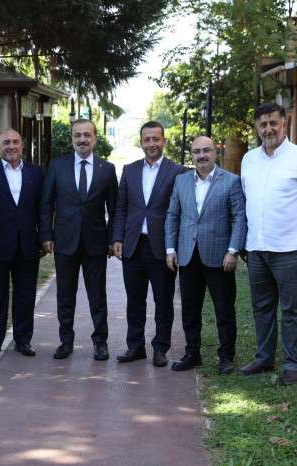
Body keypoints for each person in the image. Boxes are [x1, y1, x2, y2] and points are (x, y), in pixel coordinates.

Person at [239, 102, 297, 385]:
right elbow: (247, 202)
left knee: (292, 310)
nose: (268, 129)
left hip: (290, 249)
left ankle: (292, 362)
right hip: (257, 248)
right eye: (263, 124)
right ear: (257, 127)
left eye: (273, 123)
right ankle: (264, 358)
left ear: (284, 124)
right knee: (262, 307)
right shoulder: (248, 160)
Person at [165, 136, 246, 375]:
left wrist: (233, 250)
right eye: (197, 151)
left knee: (224, 309)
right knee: (190, 310)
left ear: (215, 152)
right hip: (187, 255)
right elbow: (172, 216)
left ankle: (226, 357)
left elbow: (239, 218)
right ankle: (192, 354)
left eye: (206, 150)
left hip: (220, 257)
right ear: (191, 155)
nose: (201, 155)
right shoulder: (181, 181)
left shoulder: (231, 181)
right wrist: (170, 249)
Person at [40, 119, 117, 360]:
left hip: (96, 242)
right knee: (65, 295)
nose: (82, 139)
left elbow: (114, 209)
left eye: (87, 135)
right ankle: (66, 342)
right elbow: (46, 203)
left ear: (95, 138)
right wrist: (46, 235)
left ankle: (100, 343)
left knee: (97, 296)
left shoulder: (107, 169)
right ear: (72, 138)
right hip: (65, 241)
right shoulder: (57, 166)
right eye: (77, 135)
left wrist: (113, 239)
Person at [111, 121, 185, 367]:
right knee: (134, 300)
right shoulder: (129, 170)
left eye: (156, 139)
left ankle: (160, 348)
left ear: (164, 141)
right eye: (147, 139)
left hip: (162, 248)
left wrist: (175, 246)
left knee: (163, 301)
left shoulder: (178, 171)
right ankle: (135, 346)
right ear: (141, 142)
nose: (151, 144)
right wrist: (118, 238)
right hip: (133, 245)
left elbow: (181, 211)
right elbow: (120, 207)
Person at [0, 129, 44, 359]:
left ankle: (23, 341)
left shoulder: (36, 173)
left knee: (26, 295)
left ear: (22, 145)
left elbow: (43, 210)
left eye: (15, 142)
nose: (11, 146)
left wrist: (44, 238)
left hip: (28, 245)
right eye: (6, 143)